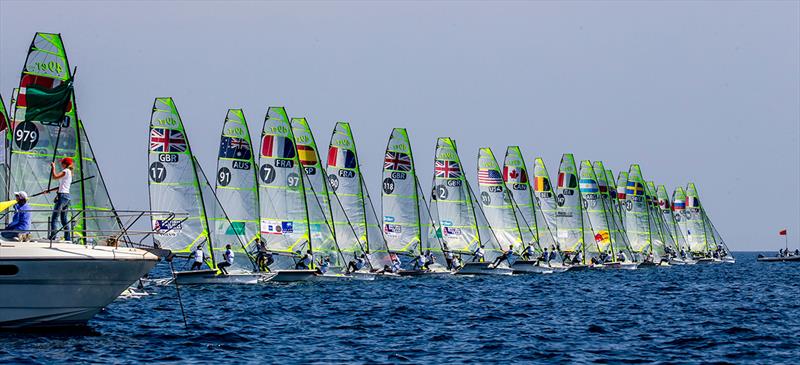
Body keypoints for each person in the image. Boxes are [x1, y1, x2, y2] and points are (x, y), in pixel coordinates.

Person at [48, 157, 74, 241]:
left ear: (65, 164)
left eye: (62, 163)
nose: (61, 164)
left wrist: (53, 167)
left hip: (62, 196)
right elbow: (61, 187)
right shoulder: (69, 172)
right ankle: (68, 238)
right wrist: (49, 190)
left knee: (55, 218)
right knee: (64, 219)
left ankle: (53, 237)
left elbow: (55, 177)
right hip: (66, 197)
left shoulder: (66, 171)